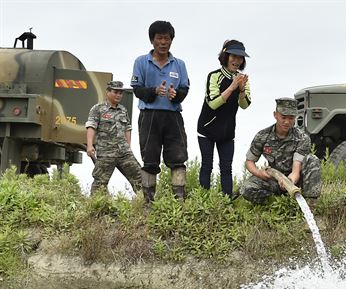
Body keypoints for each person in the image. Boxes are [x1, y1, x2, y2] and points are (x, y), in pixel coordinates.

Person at [130, 20, 190, 202]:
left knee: (178, 158)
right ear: (152, 40)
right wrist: (154, 91)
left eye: (167, 38)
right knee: (149, 160)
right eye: (159, 38)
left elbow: (185, 90)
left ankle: (179, 200)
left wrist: (175, 94)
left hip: (173, 117)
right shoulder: (141, 62)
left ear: (171, 40)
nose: (163, 42)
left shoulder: (179, 64)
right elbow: (137, 89)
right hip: (149, 116)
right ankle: (148, 201)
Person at [240, 98, 321, 204]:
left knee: (312, 159)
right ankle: (275, 204)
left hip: (295, 182)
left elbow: (296, 170)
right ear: (275, 115)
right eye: (283, 117)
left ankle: (310, 203)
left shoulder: (302, 138)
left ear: (295, 118)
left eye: (291, 118)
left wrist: (290, 181)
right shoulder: (262, 136)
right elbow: (249, 162)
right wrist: (259, 173)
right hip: (274, 180)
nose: (287, 122)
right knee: (246, 188)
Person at [196, 40, 251, 196]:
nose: (236, 61)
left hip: (227, 131)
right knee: (207, 165)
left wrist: (241, 91)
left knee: (226, 168)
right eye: (233, 56)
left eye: (240, 58)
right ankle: (203, 201)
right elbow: (213, 104)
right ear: (226, 56)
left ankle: (227, 203)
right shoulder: (214, 76)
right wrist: (232, 87)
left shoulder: (243, 79)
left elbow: (245, 105)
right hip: (206, 129)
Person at [85, 81, 142, 195]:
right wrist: (90, 146)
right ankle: (97, 208)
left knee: (139, 178)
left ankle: (147, 203)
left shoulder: (123, 110)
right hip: (106, 152)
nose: (118, 95)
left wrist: (128, 146)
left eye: (120, 93)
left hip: (124, 152)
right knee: (100, 182)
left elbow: (127, 128)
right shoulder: (98, 109)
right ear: (108, 92)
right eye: (115, 92)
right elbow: (91, 127)